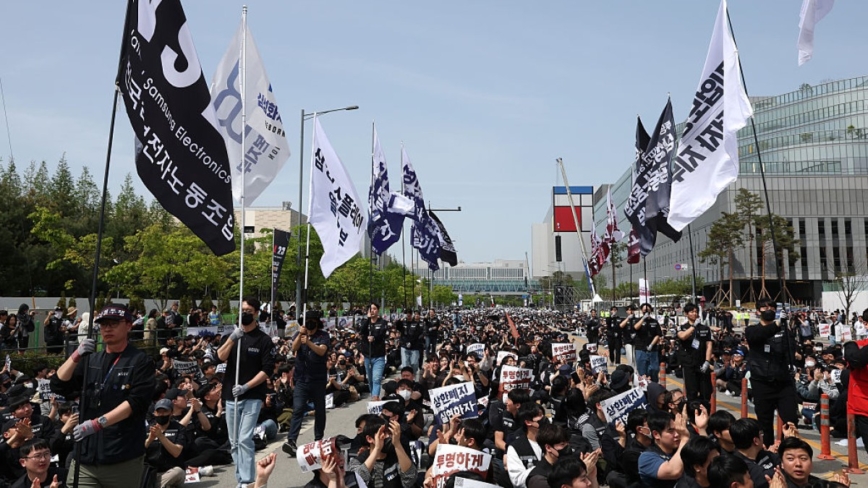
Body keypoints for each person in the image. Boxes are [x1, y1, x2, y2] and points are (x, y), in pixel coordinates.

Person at [50, 303, 155, 487]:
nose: (107, 328)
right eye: (103, 324)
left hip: (121, 456)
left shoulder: (140, 361)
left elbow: (135, 402)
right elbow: (59, 385)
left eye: (114, 323)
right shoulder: (91, 359)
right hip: (85, 456)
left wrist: (97, 424)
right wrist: (76, 355)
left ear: (128, 325)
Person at [217, 297, 276, 488]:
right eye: (242, 310)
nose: (245, 314)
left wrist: (246, 386)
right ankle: (241, 479)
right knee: (234, 441)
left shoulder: (264, 340)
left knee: (244, 438)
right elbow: (220, 357)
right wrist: (232, 339)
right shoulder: (232, 336)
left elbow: (267, 369)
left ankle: (249, 480)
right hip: (231, 395)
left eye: (249, 311)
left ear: (257, 313)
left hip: (252, 395)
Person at [745, 299, 798, 447]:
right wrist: (777, 324)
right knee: (765, 423)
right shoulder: (752, 330)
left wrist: (793, 364)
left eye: (772, 308)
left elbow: (790, 349)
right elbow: (759, 336)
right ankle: (768, 451)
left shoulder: (784, 330)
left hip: (783, 382)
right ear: (758, 311)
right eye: (764, 307)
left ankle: (788, 449)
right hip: (761, 382)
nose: (768, 310)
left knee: (791, 419)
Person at [283, 310, 330, 458]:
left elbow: (321, 351)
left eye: (312, 320)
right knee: (298, 409)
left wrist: (308, 342)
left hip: (318, 379)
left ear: (317, 322)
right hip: (301, 379)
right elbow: (294, 348)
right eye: (307, 320)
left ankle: (318, 439)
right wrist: (301, 335)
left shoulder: (323, 336)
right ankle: (291, 440)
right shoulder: (299, 334)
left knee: (320, 410)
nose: (309, 323)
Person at [638, 410, 690, 488]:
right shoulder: (646, 458)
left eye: (677, 430)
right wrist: (684, 439)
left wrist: (701, 428)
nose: (677, 434)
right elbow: (674, 472)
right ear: (656, 434)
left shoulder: (679, 447)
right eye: (671, 431)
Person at [144, 398, 189, 488]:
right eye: (159, 412)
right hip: (151, 471)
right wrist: (149, 440)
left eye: (165, 412)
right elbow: (139, 452)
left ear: (171, 413)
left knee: (178, 472)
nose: (161, 414)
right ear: (154, 413)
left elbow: (176, 452)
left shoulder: (179, 429)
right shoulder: (147, 429)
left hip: (170, 471)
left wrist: (161, 436)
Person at [777, 437, 849, 488]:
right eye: (790, 459)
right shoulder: (776, 484)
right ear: (782, 464)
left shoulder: (819, 484)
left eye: (803, 458)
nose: (798, 464)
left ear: (811, 463)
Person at [676, 303, 714, 401]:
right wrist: (693, 326)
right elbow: (683, 336)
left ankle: (705, 408)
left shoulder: (705, 328)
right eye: (692, 312)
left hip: (702, 362)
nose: (694, 314)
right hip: (689, 363)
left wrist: (707, 361)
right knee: (692, 391)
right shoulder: (682, 327)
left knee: (706, 392)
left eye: (696, 312)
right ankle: (692, 408)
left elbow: (709, 345)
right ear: (686, 314)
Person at [506, 402, 545, 488]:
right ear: (528, 422)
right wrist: (542, 468)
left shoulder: (552, 440)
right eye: (539, 416)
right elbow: (517, 480)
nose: (543, 418)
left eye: (543, 415)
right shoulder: (515, 447)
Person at [358, 303, 388, 401]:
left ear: (378, 310)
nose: (372, 311)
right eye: (370, 309)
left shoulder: (383, 322)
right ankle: (373, 396)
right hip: (368, 356)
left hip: (379, 356)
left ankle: (375, 398)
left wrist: (374, 338)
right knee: (370, 380)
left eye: (374, 309)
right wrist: (368, 319)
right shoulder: (364, 322)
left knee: (376, 379)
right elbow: (361, 331)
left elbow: (383, 334)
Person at [633, 304, 662, 383]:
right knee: (642, 370)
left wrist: (652, 344)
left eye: (648, 310)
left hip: (653, 349)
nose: (646, 311)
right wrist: (643, 318)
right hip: (640, 349)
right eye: (644, 310)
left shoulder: (654, 322)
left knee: (654, 369)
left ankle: (654, 385)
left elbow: (658, 334)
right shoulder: (638, 320)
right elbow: (635, 328)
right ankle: (643, 386)